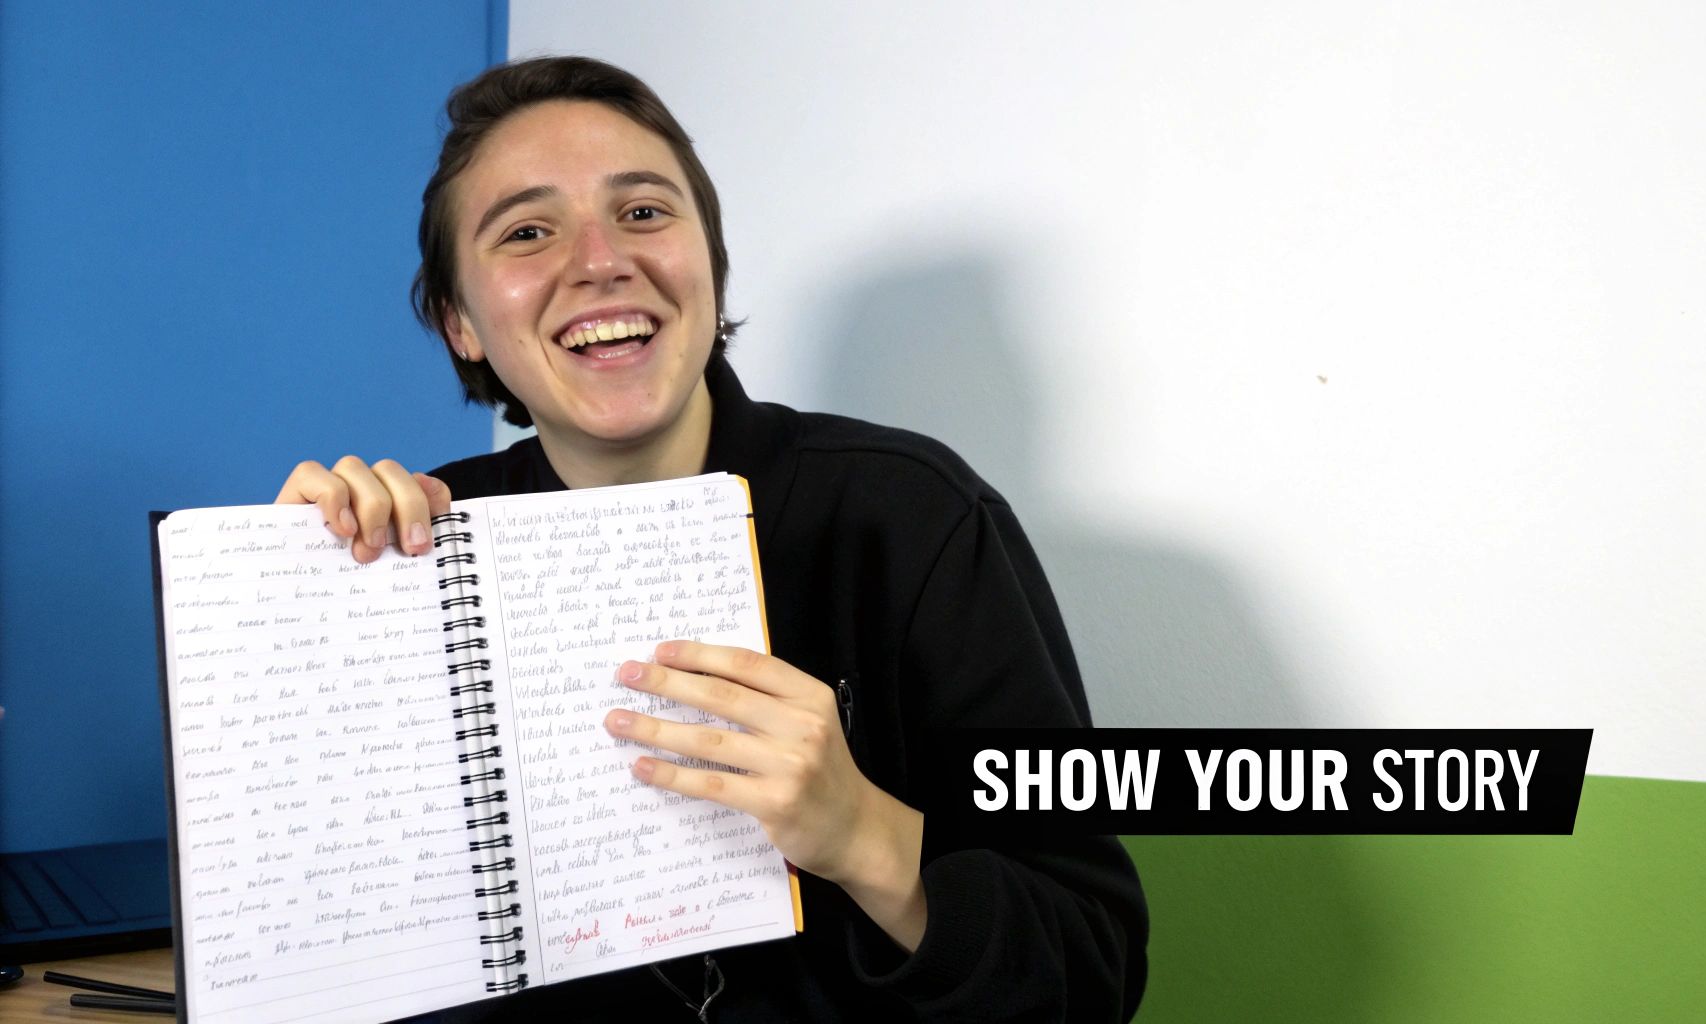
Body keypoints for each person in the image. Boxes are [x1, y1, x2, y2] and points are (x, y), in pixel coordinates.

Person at [276, 56, 1146, 1021]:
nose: (601, 260)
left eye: (644, 212)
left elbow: (1093, 970)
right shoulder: (425, 547)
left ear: (709, 262)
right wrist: (303, 613)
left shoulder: (913, 518)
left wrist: (862, 832)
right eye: (528, 232)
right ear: (461, 325)